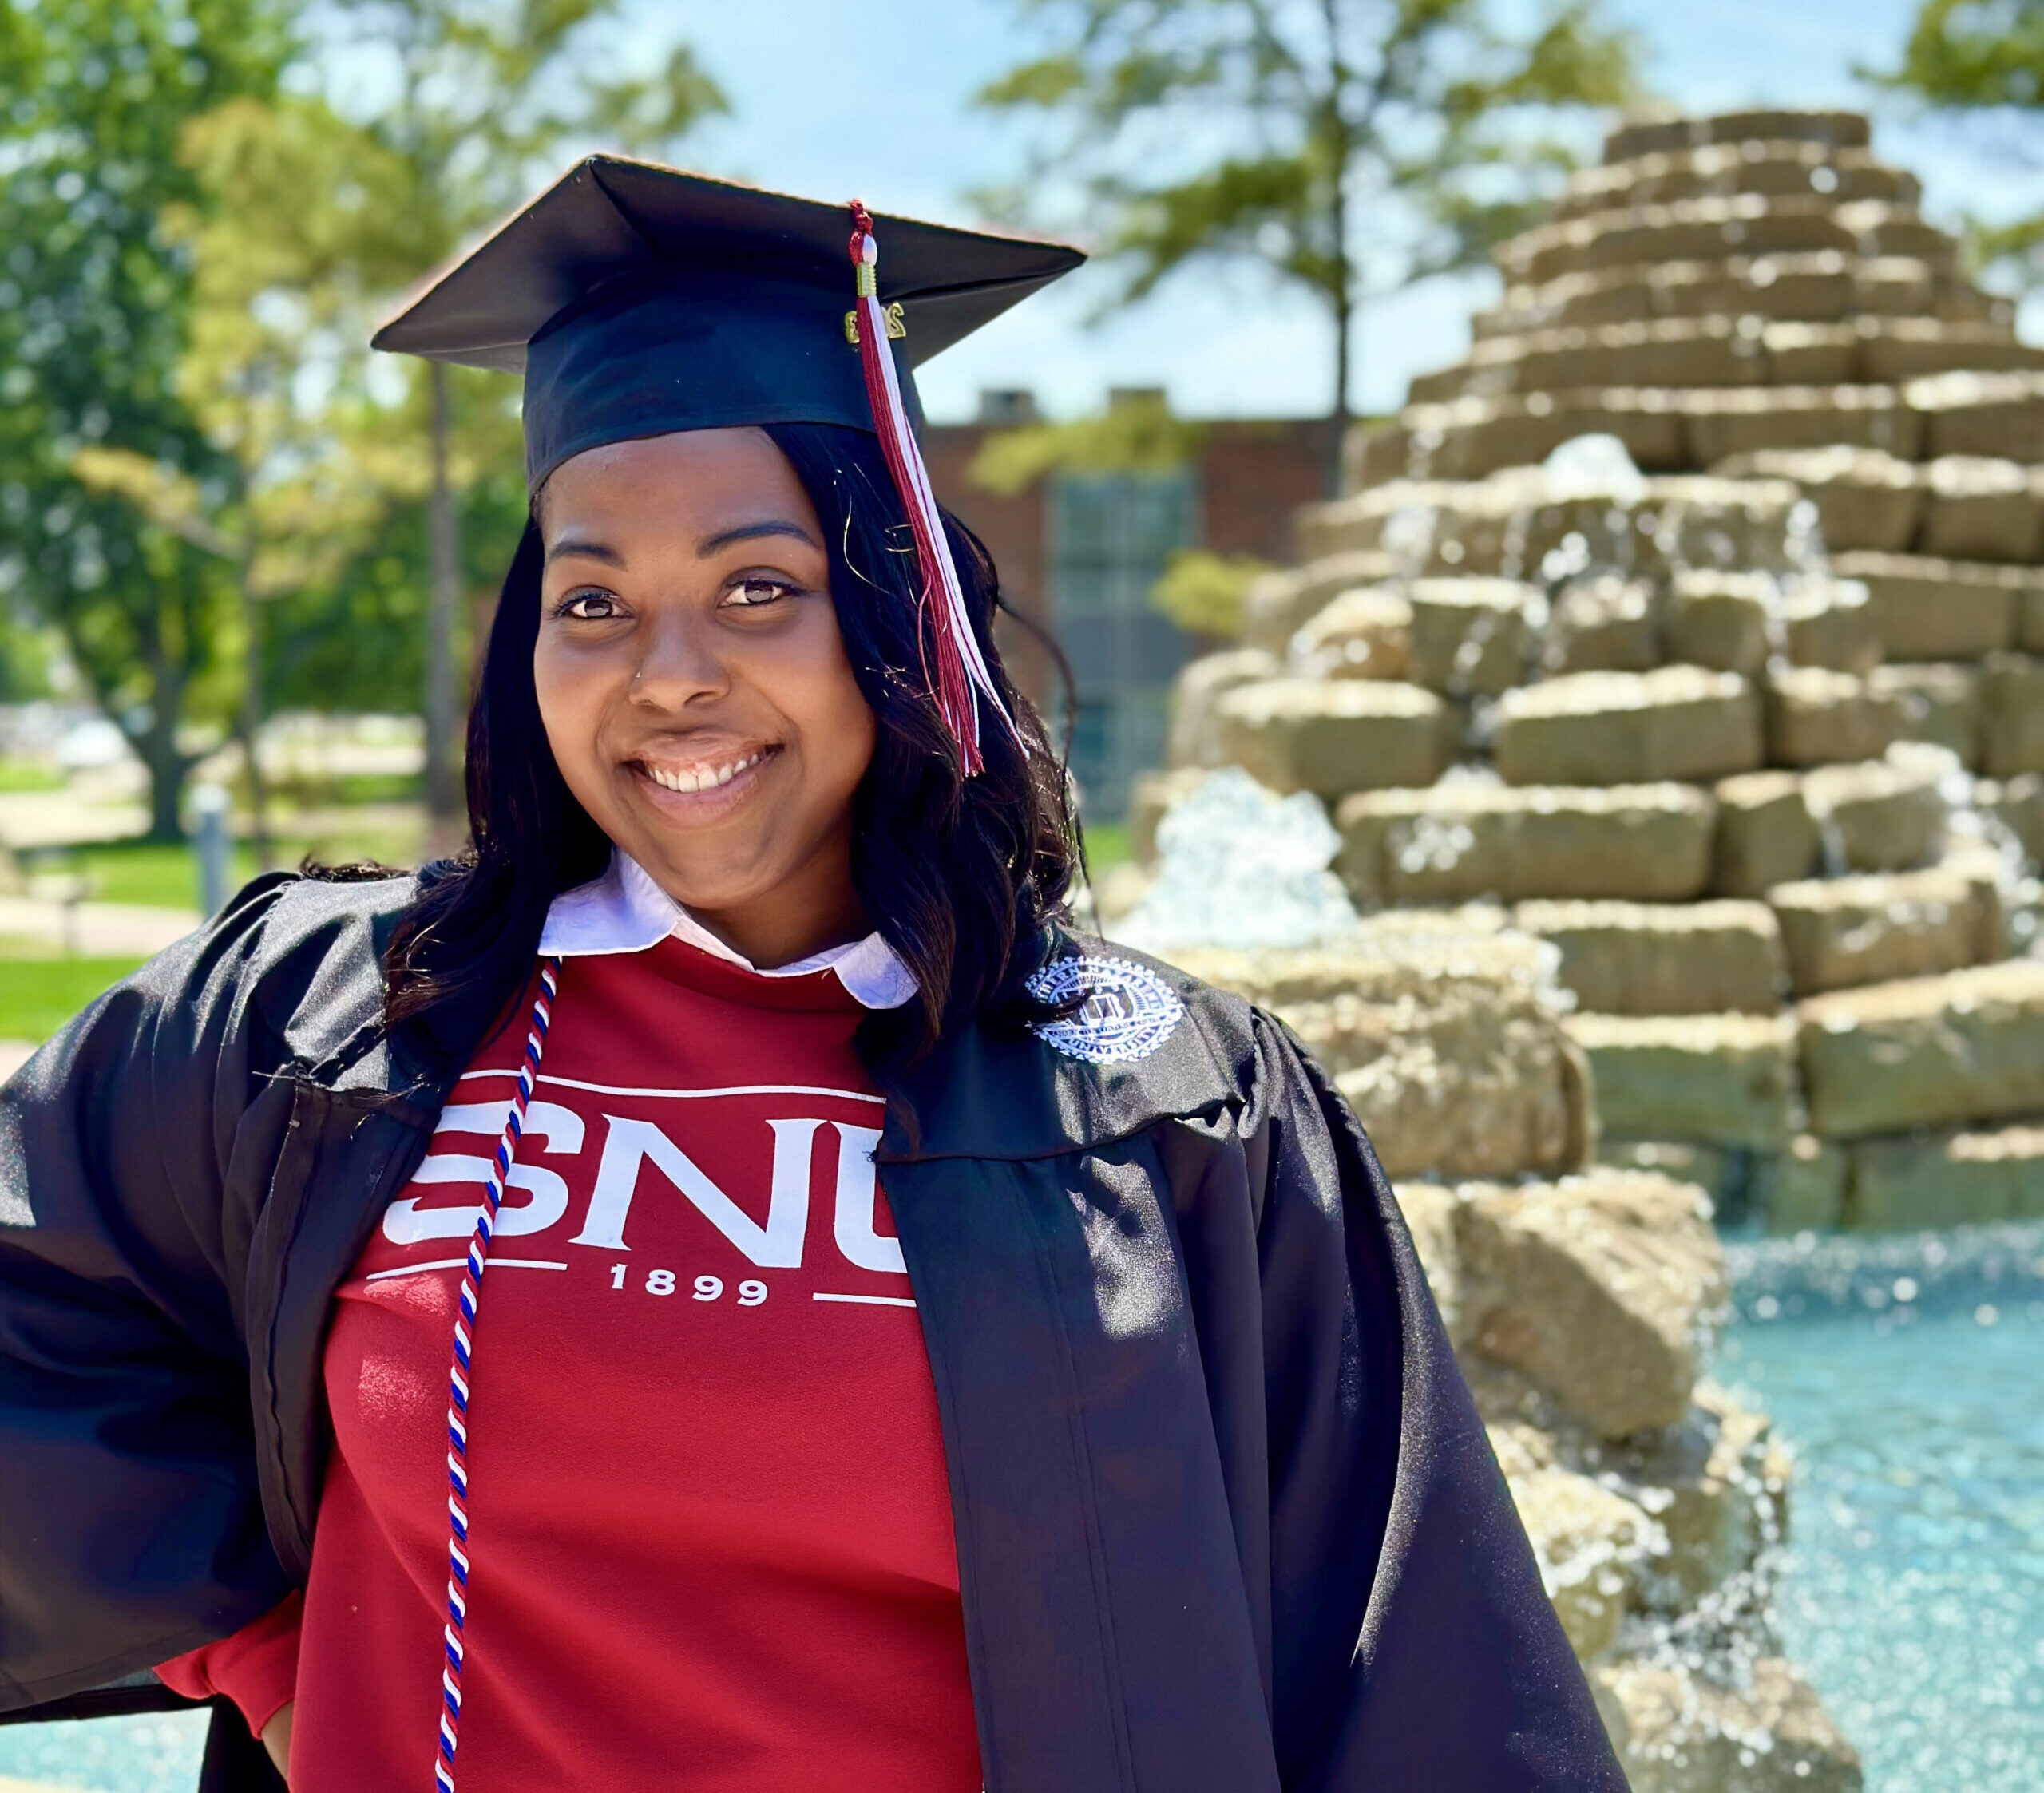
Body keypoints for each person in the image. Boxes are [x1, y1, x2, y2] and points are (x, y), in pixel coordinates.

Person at [0, 160, 1623, 1792]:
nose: (669, 676)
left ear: (890, 607)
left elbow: (1415, 1674)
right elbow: (38, 1318)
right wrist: (275, 1663)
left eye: (754, 586)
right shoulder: (334, 1021)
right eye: (592, 600)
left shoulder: (1169, 1104)